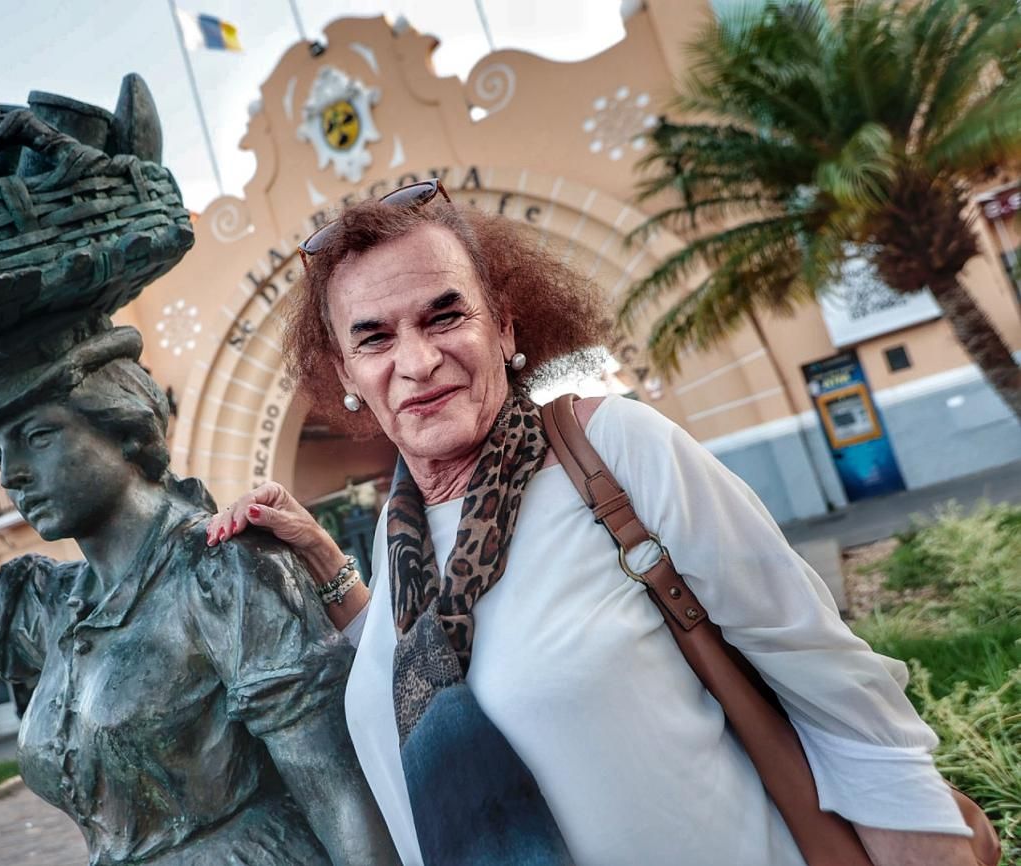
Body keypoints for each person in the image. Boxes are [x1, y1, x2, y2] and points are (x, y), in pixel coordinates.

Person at [206, 180, 981, 866]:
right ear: (345, 374)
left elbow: (831, 680)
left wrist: (924, 843)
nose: (416, 360)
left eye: (445, 317)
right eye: (374, 336)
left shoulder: (611, 450)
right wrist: (319, 554)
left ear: (505, 330)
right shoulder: (398, 529)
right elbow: (439, 661)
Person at [0, 314, 396, 866]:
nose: (11, 475)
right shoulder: (58, 605)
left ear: (123, 428)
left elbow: (340, 794)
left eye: (37, 437)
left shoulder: (223, 570)